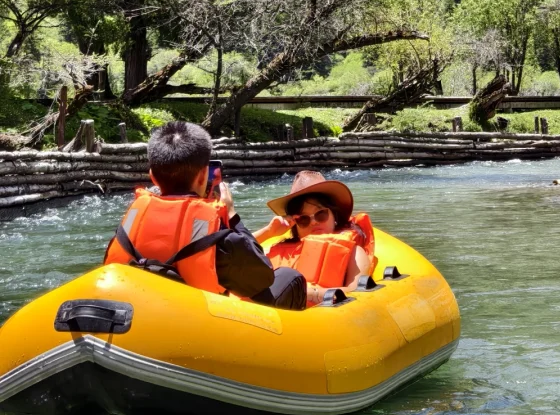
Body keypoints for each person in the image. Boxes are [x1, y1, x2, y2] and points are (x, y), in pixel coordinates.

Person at [105, 120, 306, 310]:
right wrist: (232, 216)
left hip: (138, 318)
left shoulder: (128, 225)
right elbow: (262, 276)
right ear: (203, 175)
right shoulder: (217, 234)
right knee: (290, 276)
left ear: (153, 177)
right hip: (195, 328)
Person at [255, 170, 375, 306]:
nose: (313, 222)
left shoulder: (354, 253)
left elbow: (357, 295)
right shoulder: (278, 250)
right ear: (294, 224)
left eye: (321, 214)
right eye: (303, 219)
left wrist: (309, 293)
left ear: (334, 215)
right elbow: (232, 258)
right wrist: (268, 232)